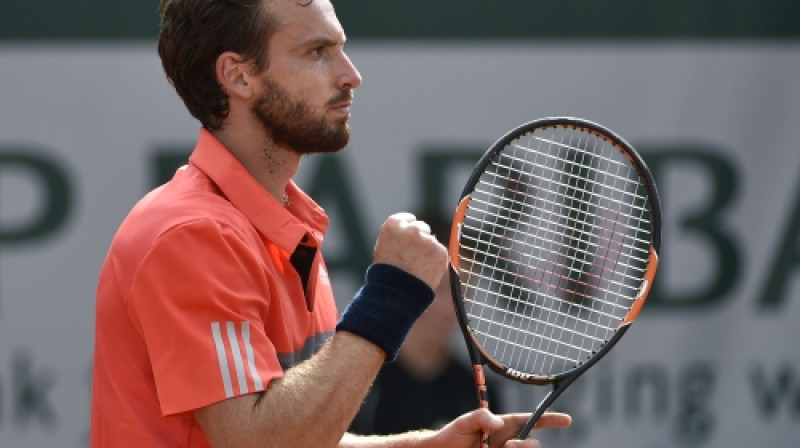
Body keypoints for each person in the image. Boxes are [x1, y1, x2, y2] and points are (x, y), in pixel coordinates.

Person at [89, 1, 571, 447]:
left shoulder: (282, 226)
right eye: (317, 52)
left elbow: (300, 434)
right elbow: (258, 443)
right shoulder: (190, 233)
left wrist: (426, 447)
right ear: (238, 76)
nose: (351, 75)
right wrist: (390, 297)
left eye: (341, 48)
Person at [349, 209, 505, 435]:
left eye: (462, 291)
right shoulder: (358, 384)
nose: (449, 307)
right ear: (407, 286)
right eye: (439, 287)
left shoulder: (479, 392)